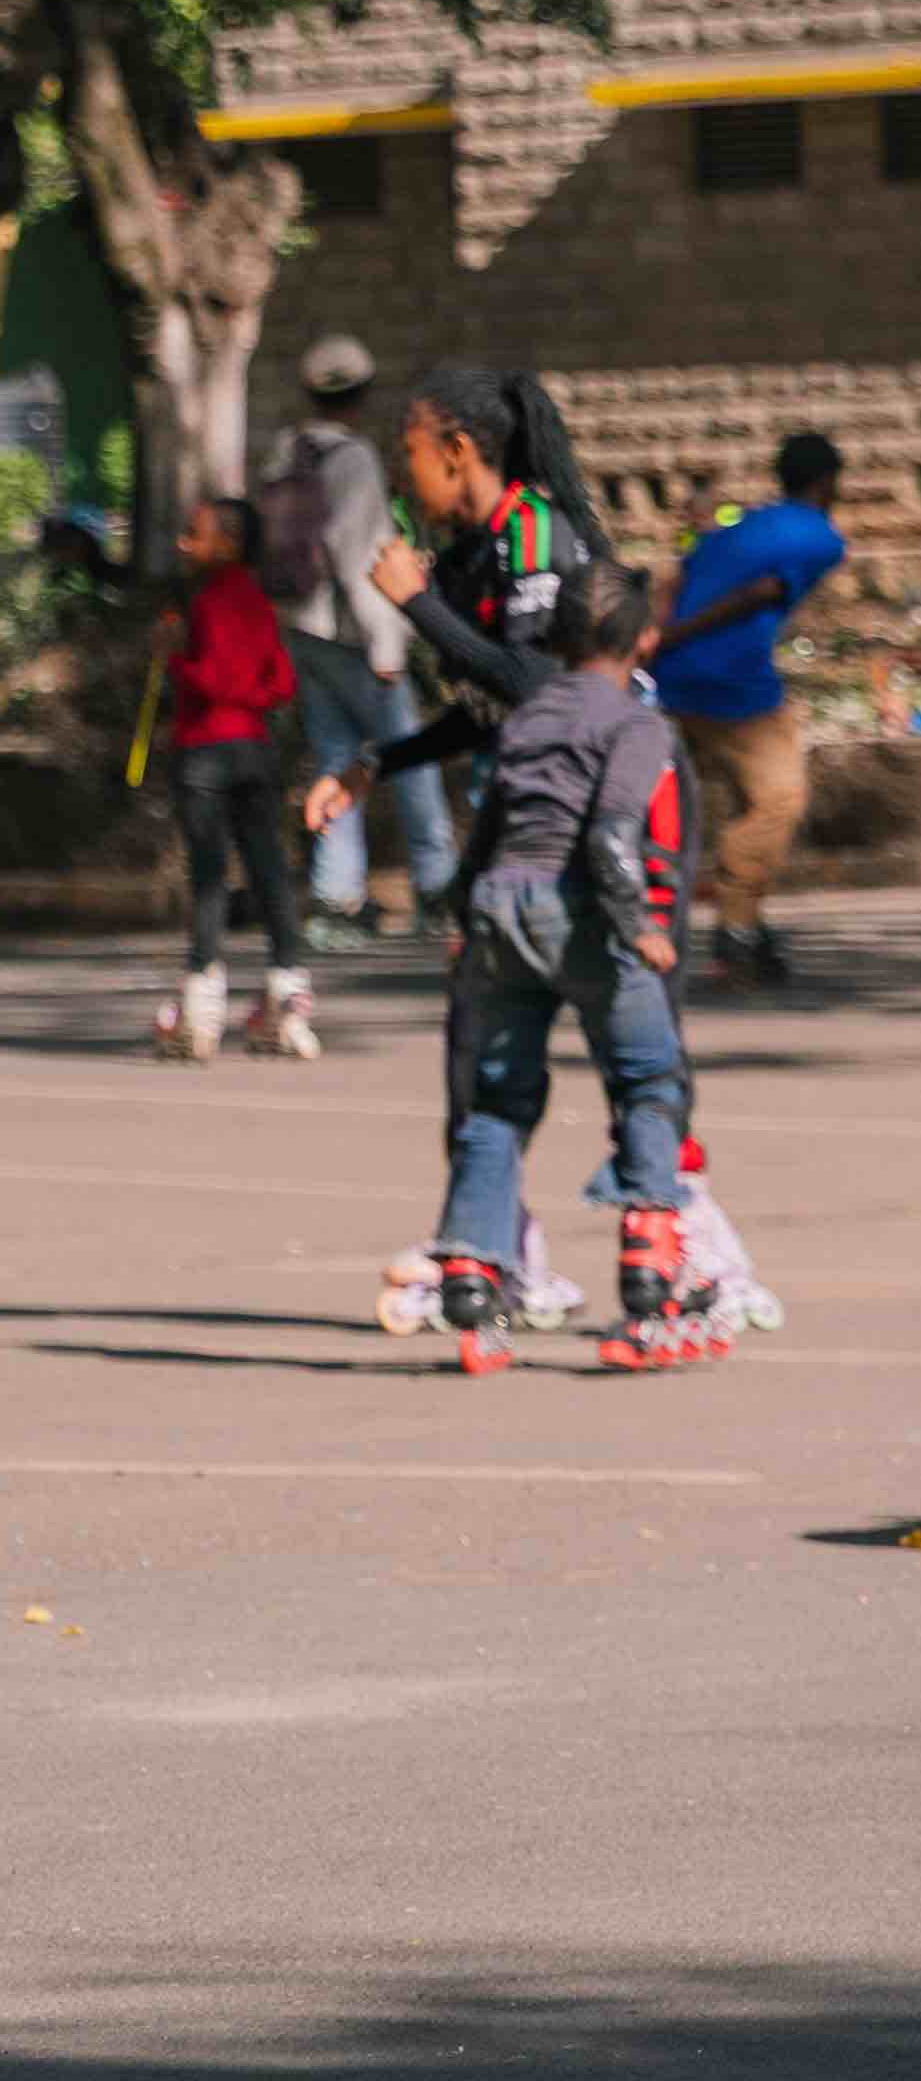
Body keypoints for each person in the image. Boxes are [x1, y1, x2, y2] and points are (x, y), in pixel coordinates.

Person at [389, 561, 716, 1375]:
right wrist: (639, 925)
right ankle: (650, 1282)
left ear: (555, 638)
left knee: (498, 1098)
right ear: (643, 639)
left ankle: (471, 1280)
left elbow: (484, 833)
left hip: (499, 904)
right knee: (646, 1081)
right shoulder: (637, 724)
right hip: (579, 910)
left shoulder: (527, 716)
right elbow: (610, 835)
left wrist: (464, 922)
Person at [304, 362, 604, 902]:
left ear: (456, 451)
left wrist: (415, 603)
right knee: (475, 930)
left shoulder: (532, 530)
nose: (401, 474)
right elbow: (488, 711)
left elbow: (531, 684)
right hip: (527, 788)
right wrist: (374, 764)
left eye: (409, 452)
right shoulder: (465, 555)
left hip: (591, 793)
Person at [652, 431, 844, 986]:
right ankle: (736, 929)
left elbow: (679, 575)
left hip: (674, 677)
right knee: (779, 800)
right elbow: (761, 592)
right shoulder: (821, 538)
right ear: (828, 482)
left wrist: (659, 639)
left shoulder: (744, 524)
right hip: (732, 684)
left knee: (742, 796)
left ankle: (749, 927)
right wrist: (683, 633)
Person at [262, 339, 436, 927]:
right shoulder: (355, 459)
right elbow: (358, 555)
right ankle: (437, 884)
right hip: (355, 636)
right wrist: (387, 645)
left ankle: (336, 895)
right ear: (361, 397)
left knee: (335, 756)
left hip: (301, 627)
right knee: (408, 757)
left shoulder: (285, 451)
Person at [147, 491, 316, 1064]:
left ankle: (201, 1001)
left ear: (229, 543)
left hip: (205, 751)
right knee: (269, 870)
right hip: (254, 749)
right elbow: (282, 682)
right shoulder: (258, 603)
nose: (183, 543)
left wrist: (174, 658)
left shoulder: (212, 603)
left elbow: (216, 680)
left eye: (195, 533)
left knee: (209, 876)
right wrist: (253, 705)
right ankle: (288, 988)